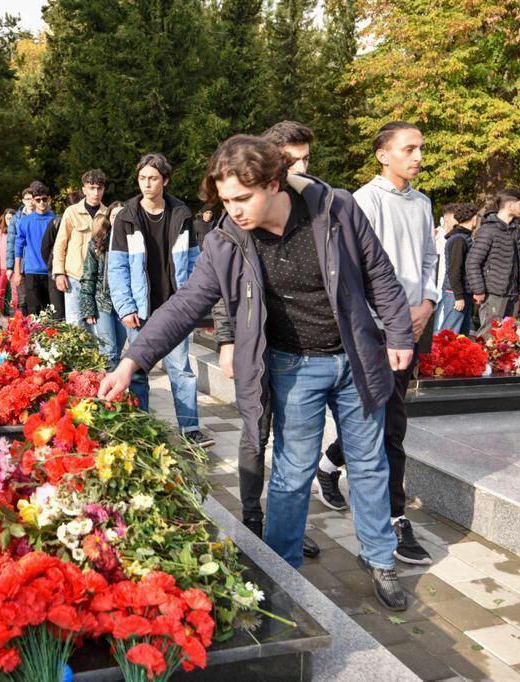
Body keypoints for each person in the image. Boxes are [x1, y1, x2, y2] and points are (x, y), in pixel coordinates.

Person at [99, 135, 414, 611]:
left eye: (243, 199)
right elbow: (186, 303)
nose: (235, 210)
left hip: (356, 359)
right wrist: (132, 359)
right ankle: (283, 567)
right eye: (226, 200)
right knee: (291, 470)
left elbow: (379, 273)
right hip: (293, 366)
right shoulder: (229, 238)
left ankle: (380, 559)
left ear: (274, 182)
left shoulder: (337, 209)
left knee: (369, 464)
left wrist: (398, 335)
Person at [316, 121, 438, 566]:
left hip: (412, 324)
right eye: (409, 149)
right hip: (375, 329)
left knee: (385, 417)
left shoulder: (423, 202)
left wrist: (426, 301)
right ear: (383, 154)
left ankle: (330, 464)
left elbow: (429, 259)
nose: (419, 156)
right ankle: (393, 520)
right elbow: (357, 268)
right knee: (390, 425)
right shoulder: (363, 201)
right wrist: (387, 319)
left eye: (421, 148)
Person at [214, 120, 321, 557]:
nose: (302, 169)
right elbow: (221, 286)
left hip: (298, 350)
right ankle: (252, 514)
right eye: (293, 160)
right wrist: (227, 340)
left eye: (306, 160)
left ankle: (285, 523)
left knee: (295, 444)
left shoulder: (311, 206)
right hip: (255, 346)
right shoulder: (238, 212)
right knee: (256, 432)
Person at [107, 152, 212, 448]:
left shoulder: (181, 214)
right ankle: (141, 428)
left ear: (165, 180)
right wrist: (125, 306)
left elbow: (194, 263)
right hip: (139, 310)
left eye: (153, 178)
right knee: (138, 372)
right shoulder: (127, 217)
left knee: (181, 370)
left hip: (175, 309)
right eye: (142, 178)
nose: (147, 184)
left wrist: (196, 308)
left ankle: (190, 430)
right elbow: (116, 268)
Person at [467, 188, 520, 337]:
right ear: (510, 205)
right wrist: (478, 290)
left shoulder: (516, 230)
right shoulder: (488, 230)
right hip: (494, 294)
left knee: (507, 340)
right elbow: (473, 262)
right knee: (489, 336)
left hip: (512, 293)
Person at [54, 170, 108, 329]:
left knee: (98, 327)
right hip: (74, 277)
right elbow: (60, 243)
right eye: (91, 188)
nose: (95, 192)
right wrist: (59, 273)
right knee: (75, 325)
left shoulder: (108, 214)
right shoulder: (71, 212)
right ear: (84, 189)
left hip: (98, 280)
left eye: (99, 188)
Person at [80, 202, 125, 368]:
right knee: (109, 352)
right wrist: (87, 307)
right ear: (109, 219)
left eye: (121, 216)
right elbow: (88, 276)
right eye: (114, 216)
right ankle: (109, 393)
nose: (118, 220)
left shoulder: (133, 242)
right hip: (103, 302)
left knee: (118, 350)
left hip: (125, 304)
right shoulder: (97, 243)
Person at [435, 202, 479, 335]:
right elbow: (454, 271)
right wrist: (459, 296)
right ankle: (439, 356)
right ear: (473, 218)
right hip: (455, 293)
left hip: (462, 292)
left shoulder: (464, 238)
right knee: (449, 334)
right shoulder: (459, 240)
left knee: (460, 335)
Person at [13, 182, 56, 315]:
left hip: (51, 272)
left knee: (51, 311)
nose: (42, 203)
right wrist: (17, 271)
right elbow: (18, 246)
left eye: (44, 199)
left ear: (49, 199)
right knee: (33, 311)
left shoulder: (55, 220)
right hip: (32, 271)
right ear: (33, 201)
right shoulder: (25, 221)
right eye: (38, 200)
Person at [42, 190, 81, 320]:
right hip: (57, 271)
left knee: (71, 313)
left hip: (75, 272)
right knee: (59, 313)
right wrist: (52, 266)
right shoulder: (56, 222)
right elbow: (46, 247)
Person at [6, 187, 35, 314]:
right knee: (22, 299)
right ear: (23, 201)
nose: (31, 202)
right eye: (28, 199)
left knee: (35, 298)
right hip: (21, 263)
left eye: (33, 199)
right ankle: (23, 328)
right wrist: (9, 266)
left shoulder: (40, 215)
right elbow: (11, 243)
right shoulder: (16, 219)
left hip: (36, 262)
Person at [0, 210, 14, 313]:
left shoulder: (17, 231)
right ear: (4, 220)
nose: (9, 220)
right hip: (2, 266)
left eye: (11, 218)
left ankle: (8, 310)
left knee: (13, 291)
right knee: (0, 290)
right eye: (7, 218)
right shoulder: (0, 232)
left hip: (14, 267)